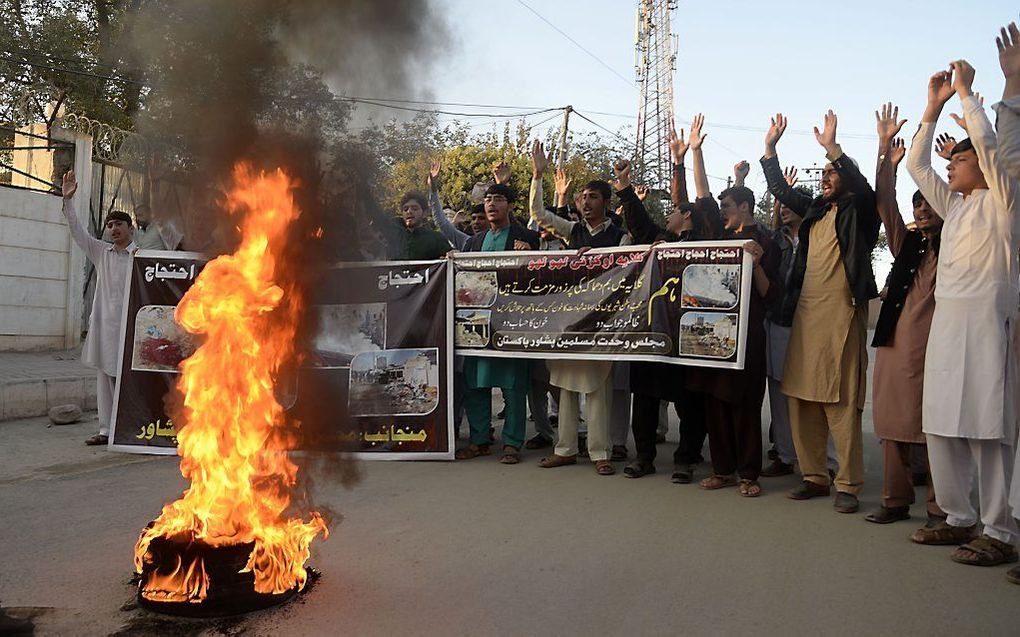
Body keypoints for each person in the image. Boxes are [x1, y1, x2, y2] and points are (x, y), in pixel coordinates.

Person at [906, 62, 1019, 566]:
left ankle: (999, 530)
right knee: (942, 422)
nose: (951, 165)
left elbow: (996, 152)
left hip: (989, 326)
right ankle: (957, 517)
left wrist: (969, 94)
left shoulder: (1004, 200)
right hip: (948, 328)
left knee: (986, 426)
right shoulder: (955, 207)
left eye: (961, 159)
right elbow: (916, 167)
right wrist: (931, 109)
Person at [761, 110, 880, 513]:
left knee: (840, 400)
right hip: (806, 313)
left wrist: (832, 147)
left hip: (841, 313)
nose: (825, 177)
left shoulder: (860, 211)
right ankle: (814, 476)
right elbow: (780, 189)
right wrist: (770, 148)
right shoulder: (815, 211)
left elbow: (865, 190)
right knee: (800, 395)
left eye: (833, 172)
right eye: (824, 172)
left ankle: (847, 483)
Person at [618, 117, 714, 482]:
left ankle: (685, 459)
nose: (669, 214)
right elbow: (640, 225)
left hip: (691, 333)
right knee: (643, 397)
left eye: (674, 211)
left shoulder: (707, 244)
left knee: (690, 400)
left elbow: (694, 201)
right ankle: (643, 457)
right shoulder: (660, 241)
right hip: (652, 330)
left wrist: (683, 160)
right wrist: (625, 189)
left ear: (686, 216)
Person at [865, 102, 945, 527]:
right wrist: (885, 154)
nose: (921, 212)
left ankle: (940, 508)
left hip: (938, 347)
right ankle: (895, 501)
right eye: (918, 207)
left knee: (937, 428)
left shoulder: (957, 246)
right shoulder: (908, 245)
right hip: (896, 344)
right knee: (893, 423)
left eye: (929, 205)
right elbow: (884, 204)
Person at [529, 140, 626, 476]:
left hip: (603, 323)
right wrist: (538, 176)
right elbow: (538, 215)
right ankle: (565, 448)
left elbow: (627, 274)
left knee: (598, 390)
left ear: (606, 202)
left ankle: (601, 453)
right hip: (571, 322)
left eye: (593, 197)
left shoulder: (620, 238)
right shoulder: (574, 232)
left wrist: (598, 264)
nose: (586, 202)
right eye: (582, 197)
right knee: (566, 386)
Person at [692, 181, 782, 498]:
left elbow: (769, 293)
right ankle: (722, 470)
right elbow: (701, 200)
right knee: (714, 401)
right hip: (713, 334)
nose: (722, 212)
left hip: (748, 336)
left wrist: (755, 264)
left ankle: (748, 474)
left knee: (745, 405)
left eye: (727, 206)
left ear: (745, 207)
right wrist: (693, 152)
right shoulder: (719, 239)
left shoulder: (766, 243)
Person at [454, 182, 541, 464]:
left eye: (499, 199)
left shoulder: (527, 237)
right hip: (477, 323)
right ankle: (480, 440)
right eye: (488, 199)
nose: (491, 204)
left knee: (513, 385)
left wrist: (529, 254)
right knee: (474, 384)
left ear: (511, 206)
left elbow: (539, 276)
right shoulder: (474, 241)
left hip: (510, 323)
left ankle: (512, 443)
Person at [60, 169, 137, 446]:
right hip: (105, 326)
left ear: (131, 228)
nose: (114, 229)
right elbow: (77, 232)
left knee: (128, 379)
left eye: (119, 224)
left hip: (131, 329)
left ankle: (129, 428)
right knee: (104, 378)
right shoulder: (101, 252)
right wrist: (68, 200)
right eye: (110, 225)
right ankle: (106, 431)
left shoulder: (140, 258)